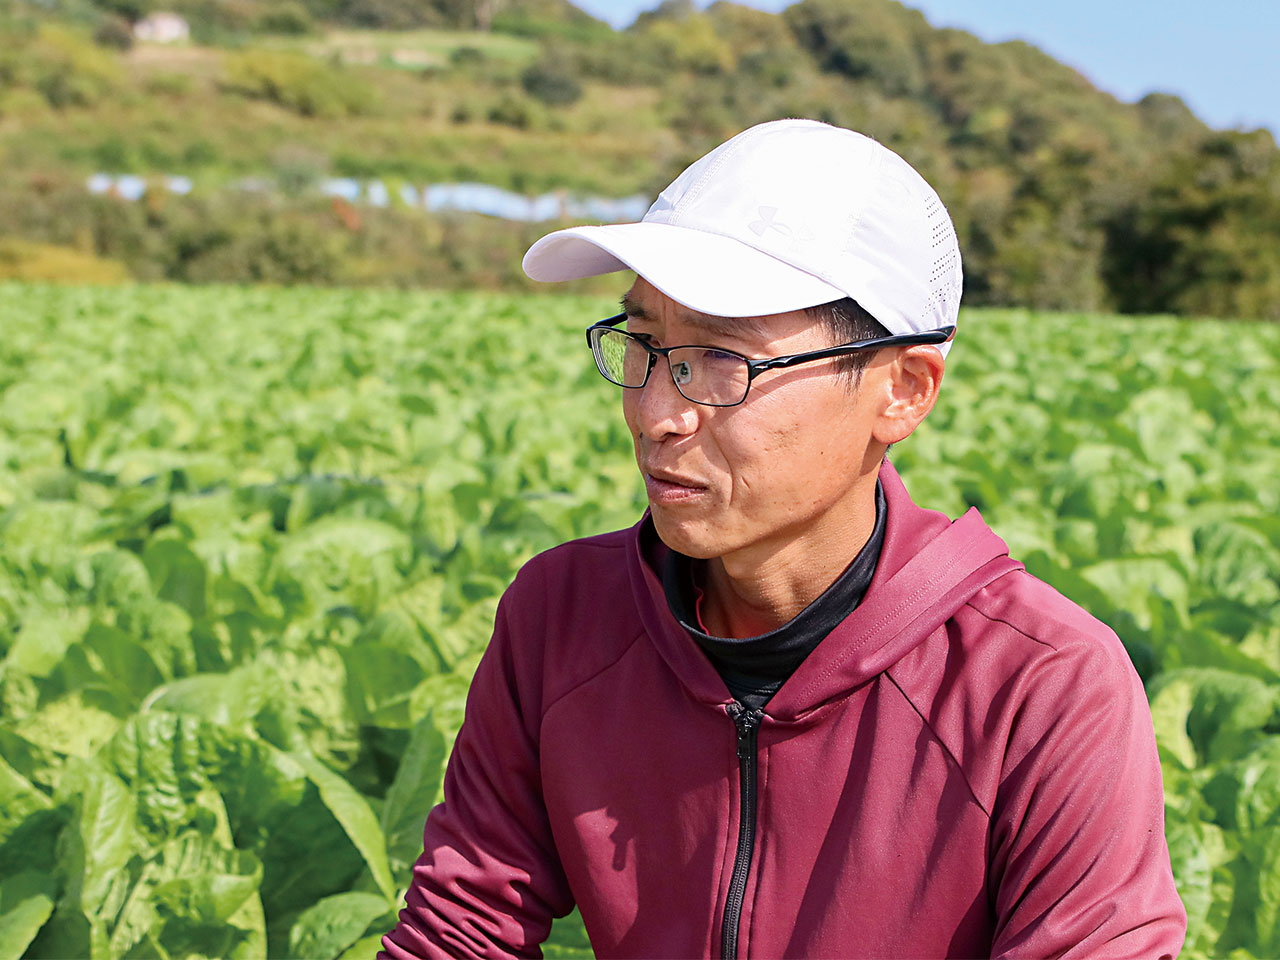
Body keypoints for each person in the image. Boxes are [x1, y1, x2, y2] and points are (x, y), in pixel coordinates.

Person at [380, 118, 1187, 959]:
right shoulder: (563, 616)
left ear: (903, 390)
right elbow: (459, 933)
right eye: (646, 344)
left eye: (725, 359)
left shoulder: (1040, 687)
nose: (656, 412)